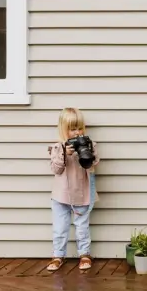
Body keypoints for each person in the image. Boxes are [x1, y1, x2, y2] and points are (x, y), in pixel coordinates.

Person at [46, 107, 100, 271]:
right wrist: (64, 153)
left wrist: (87, 151)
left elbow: (94, 165)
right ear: (63, 129)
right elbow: (56, 170)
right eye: (72, 129)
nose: (77, 132)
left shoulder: (89, 144)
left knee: (82, 227)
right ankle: (57, 255)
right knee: (60, 227)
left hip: (82, 193)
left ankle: (84, 254)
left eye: (79, 128)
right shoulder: (58, 147)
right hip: (61, 195)